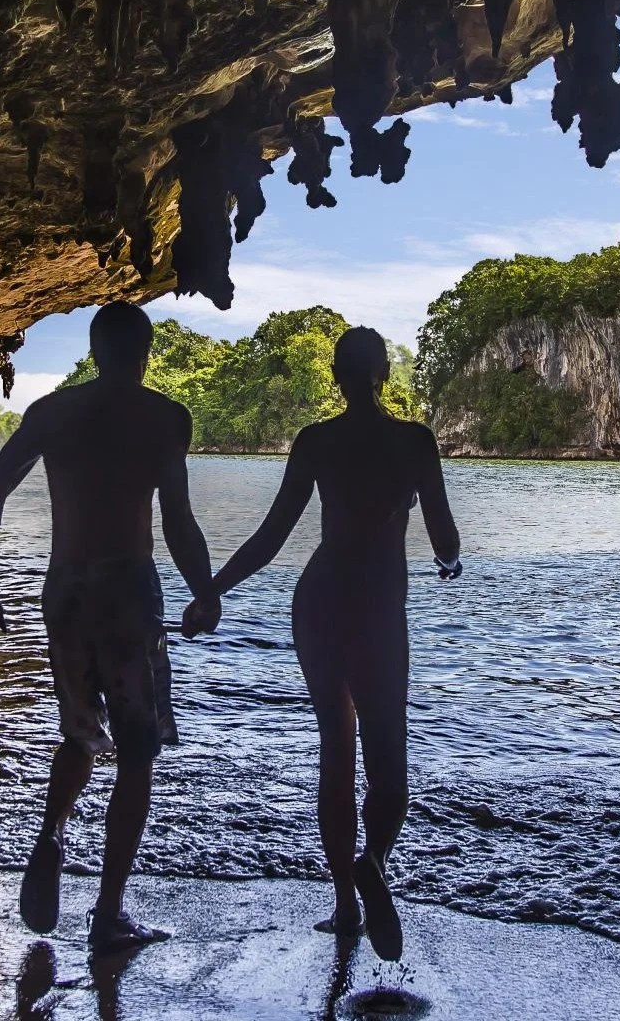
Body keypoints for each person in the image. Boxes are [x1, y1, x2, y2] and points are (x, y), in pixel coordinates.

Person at [193, 326, 461, 961]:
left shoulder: (316, 442)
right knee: (387, 758)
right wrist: (447, 562)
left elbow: (273, 534)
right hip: (375, 608)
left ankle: (345, 902)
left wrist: (212, 590)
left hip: (318, 602)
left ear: (337, 377)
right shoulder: (413, 442)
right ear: (383, 376)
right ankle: (374, 862)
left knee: (335, 751)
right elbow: (446, 536)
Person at [0, 301, 220, 956]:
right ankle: (109, 912)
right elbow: (178, 521)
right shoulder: (164, 417)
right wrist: (205, 592)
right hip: (128, 594)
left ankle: (51, 832)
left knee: (79, 734)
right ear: (143, 356)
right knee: (137, 753)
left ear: (94, 348)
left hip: (66, 591)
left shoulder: (52, 412)